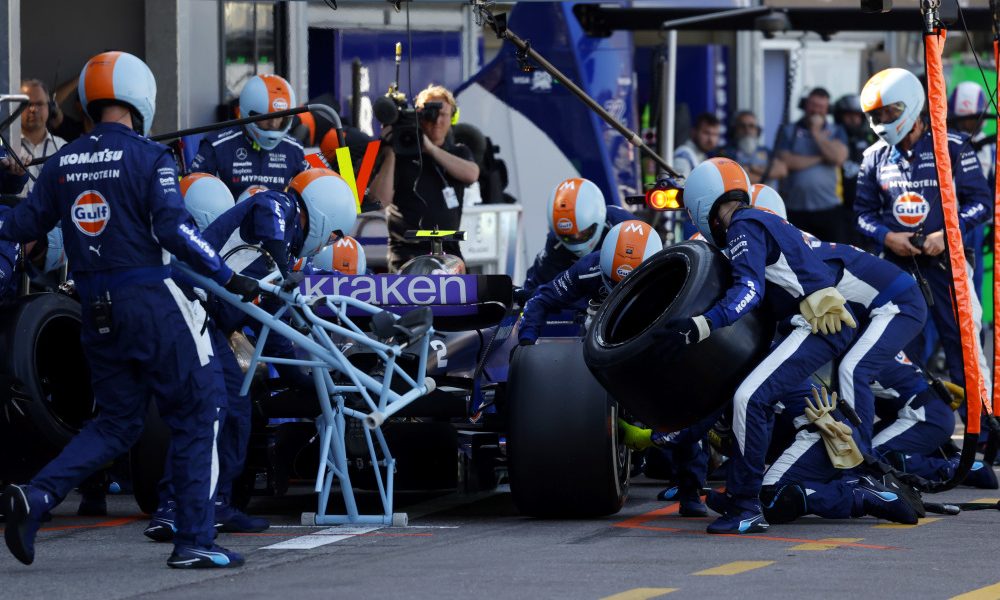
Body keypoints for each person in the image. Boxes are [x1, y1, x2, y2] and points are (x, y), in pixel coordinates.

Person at [0, 51, 259, 569]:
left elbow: (21, 224)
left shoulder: (63, 161)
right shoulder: (150, 157)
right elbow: (175, 231)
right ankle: (195, 540)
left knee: (116, 424)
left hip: (93, 306)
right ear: (142, 97)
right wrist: (230, 276)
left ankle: (37, 496)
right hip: (151, 299)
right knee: (204, 405)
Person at [656, 157, 858, 534]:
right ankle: (740, 494)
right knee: (745, 391)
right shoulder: (761, 220)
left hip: (815, 326)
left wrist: (700, 325)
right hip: (814, 323)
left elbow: (748, 291)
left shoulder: (743, 225)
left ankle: (746, 506)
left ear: (703, 204)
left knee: (751, 399)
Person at [855, 67, 993, 404]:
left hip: (948, 267)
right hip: (897, 270)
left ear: (910, 105)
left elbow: (982, 205)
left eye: (889, 112)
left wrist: (947, 234)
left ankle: (985, 440)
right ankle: (921, 440)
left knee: (965, 351)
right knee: (904, 355)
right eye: (876, 114)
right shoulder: (873, 157)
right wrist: (888, 237)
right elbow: (862, 215)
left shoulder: (953, 146)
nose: (883, 120)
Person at [370, 84, 479, 272]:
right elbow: (378, 201)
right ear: (418, 116)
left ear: (452, 117)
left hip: (449, 254)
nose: (436, 121)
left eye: (442, 114)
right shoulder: (396, 155)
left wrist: (430, 148)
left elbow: (471, 174)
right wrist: (390, 153)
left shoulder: (459, 151)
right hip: (405, 254)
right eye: (430, 114)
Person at [190, 74, 308, 198]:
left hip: (279, 216)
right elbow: (193, 191)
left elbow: (315, 186)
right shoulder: (216, 146)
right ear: (249, 114)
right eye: (266, 117)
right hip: (231, 216)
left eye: (279, 117)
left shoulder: (295, 148)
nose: (273, 124)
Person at [516, 177, 632, 303]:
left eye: (583, 233)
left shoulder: (626, 229)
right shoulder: (555, 244)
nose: (577, 241)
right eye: (568, 236)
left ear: (599, 219)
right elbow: (532, 289)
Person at [776, 88, 849, 242]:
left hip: (829, 209)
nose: (816, 110)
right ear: (805, 105)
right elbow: (786, 162)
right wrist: (821, 157)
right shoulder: (789, 130)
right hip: (795, 209)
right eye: (813, 105)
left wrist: (815, 132)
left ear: (827, 109)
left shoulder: (836, 130)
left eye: (821, 107)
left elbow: (838, 158)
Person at [19, 79, 67, 196]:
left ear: (50, 108)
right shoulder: (6, 147)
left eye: (39, 104)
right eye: (27, 104)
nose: (33, 109)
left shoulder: (63, 147)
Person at [832, 94, 875, 225]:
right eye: (848, 115)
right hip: (837, 207)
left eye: (856, 115)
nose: (853, 119)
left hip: (864, 207)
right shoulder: (831, 138)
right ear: (840, 117)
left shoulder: (870, 139)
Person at [720, 110, 787, 186]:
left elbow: (782, 170)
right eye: (742, 126)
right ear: (735, 129)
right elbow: (736, 177)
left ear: (758, 130)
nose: (747, 130)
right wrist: (769, 175)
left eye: (751, 126)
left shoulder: (765, 151)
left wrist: (755, 169)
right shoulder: (727, 152)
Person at [672, 113, 721, 178]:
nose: (711, 139)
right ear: (694, 132)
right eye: (706, 133)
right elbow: (680, 187)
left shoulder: (701, 155)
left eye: (715, 134)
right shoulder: (683, 156)